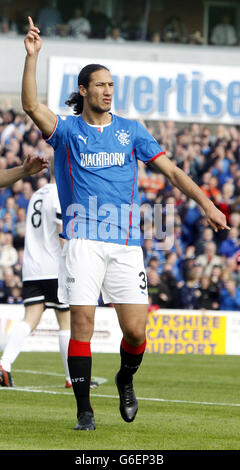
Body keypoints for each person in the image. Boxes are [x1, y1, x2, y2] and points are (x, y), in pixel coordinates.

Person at [20, 17, 229, 431]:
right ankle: (84, 410)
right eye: (100, 84)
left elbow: (171, 171)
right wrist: (32, 57)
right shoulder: (68, 132)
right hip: (81, 240)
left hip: (126, 242)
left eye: (111, 84)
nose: (108, 90)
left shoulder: (131, 131)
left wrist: (206, 202)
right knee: (82, 322)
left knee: (135, 332)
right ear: (84, 90)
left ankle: (125, 379)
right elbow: (31, 106)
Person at [0, 159, 72, 388]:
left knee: (29, 319)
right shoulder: (61, 195)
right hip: (55, 268)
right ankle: (73, 378)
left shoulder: (37, 195)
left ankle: (5, 364)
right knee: (66, 321)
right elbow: (63, 233)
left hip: (33, 268)